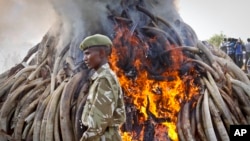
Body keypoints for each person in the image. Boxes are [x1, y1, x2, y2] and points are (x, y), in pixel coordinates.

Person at [79, 34, 126, 141]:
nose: (84, 59)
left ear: (101, 53)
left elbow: (97, 125)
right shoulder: (101, 77)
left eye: (87, 54)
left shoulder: (105, 79)